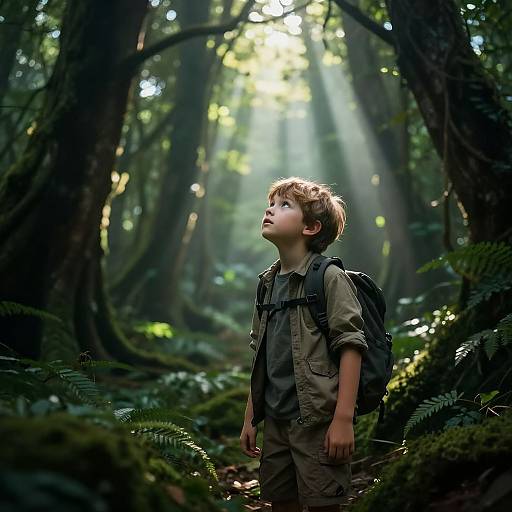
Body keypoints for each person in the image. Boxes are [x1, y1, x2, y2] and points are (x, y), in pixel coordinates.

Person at [239, 177, 368, 512]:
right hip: (276, 423)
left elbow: (351, 345)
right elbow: (260, 354)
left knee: (323, 504)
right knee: (281, 502)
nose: (270, 209)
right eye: (271, 203)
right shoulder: (266, 284)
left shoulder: (328, 277)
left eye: (284, 205)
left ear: (310, 227)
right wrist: (250, 418)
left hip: (318, 422)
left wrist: (343, 420)